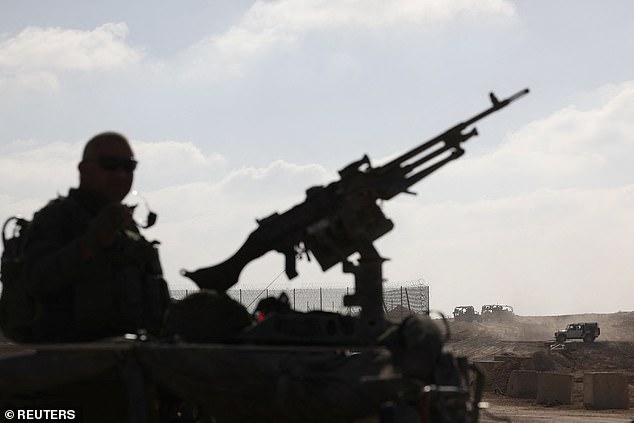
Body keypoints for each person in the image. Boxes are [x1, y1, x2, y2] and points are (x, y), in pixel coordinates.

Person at [23, 132, 170, 342]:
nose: (120, 174)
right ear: (84, 169)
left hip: (130, 357)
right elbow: (37, 281)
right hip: (71, 359)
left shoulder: (128, 229)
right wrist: (90, 244)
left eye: (129, 166)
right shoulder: (57, 217)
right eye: (109, 164)